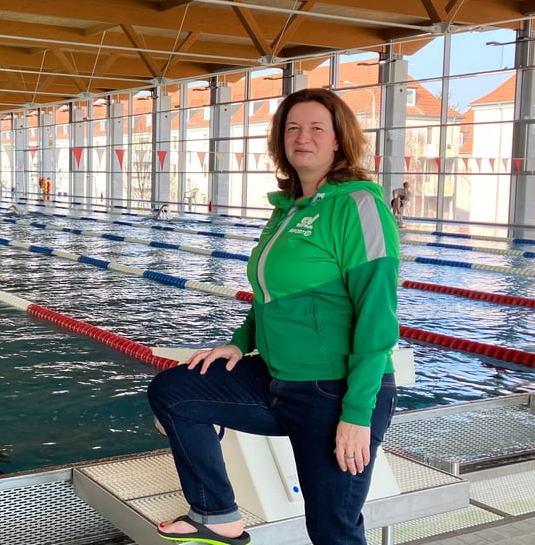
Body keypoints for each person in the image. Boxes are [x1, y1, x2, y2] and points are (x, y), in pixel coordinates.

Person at [148, 88, 400, 545]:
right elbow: (270, 297)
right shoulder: (287, 210)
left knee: (332, 531)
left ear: (339, 139)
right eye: (292, 128)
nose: (303, 137)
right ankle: (216, 513)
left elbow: (377, 317)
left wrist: (357, 414)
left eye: (316, 128)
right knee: (175, 391)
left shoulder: (357, 207)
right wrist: (239, 342)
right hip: (275, 382)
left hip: (334, 392)